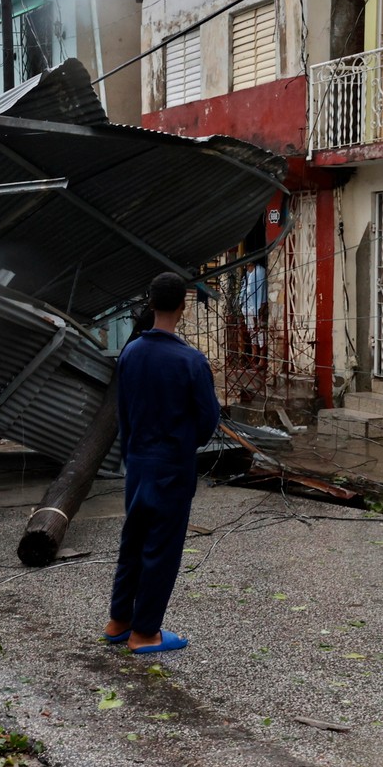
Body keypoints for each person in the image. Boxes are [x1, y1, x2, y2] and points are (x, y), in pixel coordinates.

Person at [103, 273, 220, 654]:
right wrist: (183, 445)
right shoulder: (191, 361)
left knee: (133, 540)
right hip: (171, 464)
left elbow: (123, 413)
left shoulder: (131, 353)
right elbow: (207, 420)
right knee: (162, 548)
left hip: (137, 461)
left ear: (150, 304)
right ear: (183, 308)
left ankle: (119, 621)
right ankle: (145, 632)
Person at [238, 260, 267, 366]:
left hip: (258, 308)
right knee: (252, 333)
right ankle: (254, 357)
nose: (247, 267)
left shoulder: (260, 273)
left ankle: (262, 360)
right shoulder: (248, 275)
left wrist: (260, 309)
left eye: (248, 265)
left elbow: (262, 292)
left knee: (260, 333)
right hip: (248, 309)